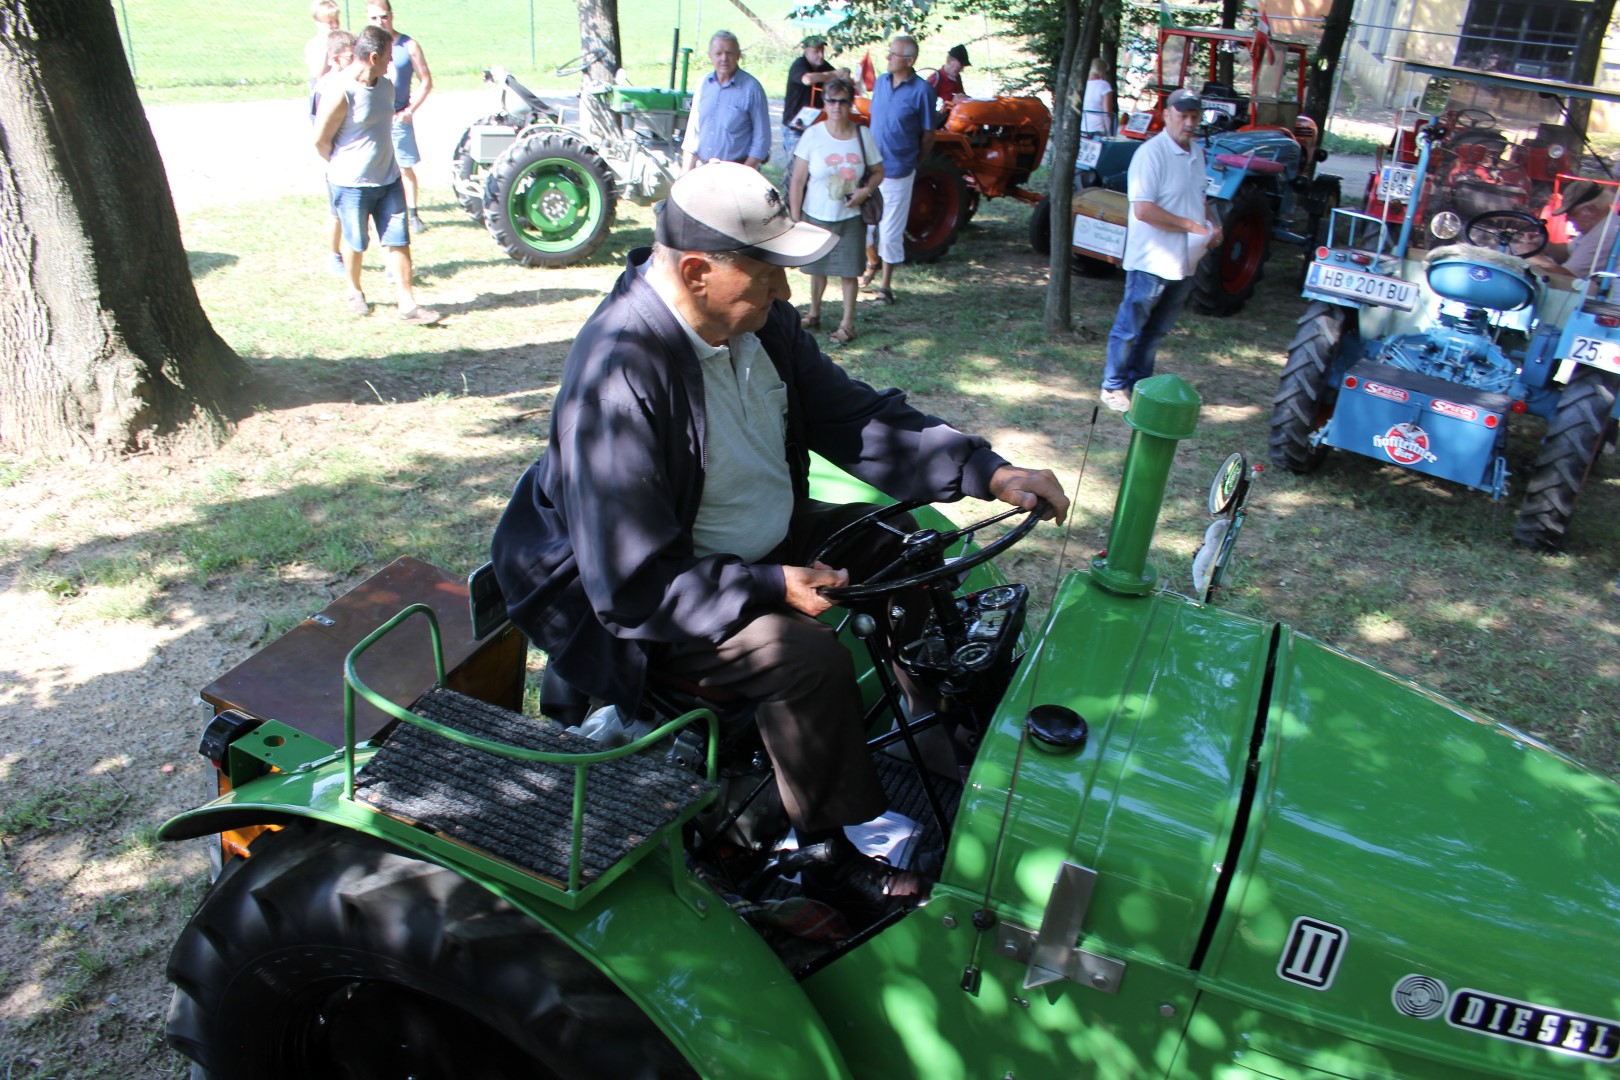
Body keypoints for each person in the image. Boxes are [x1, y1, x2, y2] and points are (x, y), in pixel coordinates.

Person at [489, 162, 1068, 916]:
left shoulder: (757, 323)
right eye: (771, 274)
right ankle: (825, 855)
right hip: (635, 600)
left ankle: (934, 731)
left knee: (905, 545)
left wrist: (986, 470)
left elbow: (854, 420)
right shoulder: (619, 376)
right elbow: (631, 584)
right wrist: (770, 586)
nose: (789, 293)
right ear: (697, 270)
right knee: (800, 659)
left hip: (737, 548)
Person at [1100, 87, 1220, 412]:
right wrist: (1193, 227)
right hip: (1151, 260)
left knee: (1156, 332)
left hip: (1185, 261)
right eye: (1183, 115)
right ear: (1166, 115)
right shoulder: (1151, 154)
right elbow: (1143, 210)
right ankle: (1113, 386)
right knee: (1129, 328)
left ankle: (1140, 386)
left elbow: (1200, 198)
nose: (1190, 122)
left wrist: (1212, 224)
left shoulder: (1197, 153)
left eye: (1195, 116)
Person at [313, 25, 440, 324]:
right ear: (372, 57)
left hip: (389, 179)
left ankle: (407, 304)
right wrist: (343, 165)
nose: (389, 65)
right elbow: (320, 139)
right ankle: (354, 290)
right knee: (356, 242)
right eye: (386, 59)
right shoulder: (341, 91)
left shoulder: (386, 87)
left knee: (399, 240)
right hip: (351, 184)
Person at [789, 76, 883, 345]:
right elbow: (797, 180)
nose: (837, 106)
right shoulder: (813, 135)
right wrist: (795, 218)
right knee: (817, 268)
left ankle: (847, 324)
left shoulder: (862, 135)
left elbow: (878, 172)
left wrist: (866, 191)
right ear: (824, 103)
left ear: (850, 103)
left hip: (850, 216)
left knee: (848, 271)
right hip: (816, 214)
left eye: (843, 101)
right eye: (831, 100)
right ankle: (814, 312)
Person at [865, 35, 934, 304]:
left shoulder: (922, 91)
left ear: (910, 60)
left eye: (893, 54)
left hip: (899, 169)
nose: (888, 58)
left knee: (890, 230)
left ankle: (885, 288)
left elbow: (929, 134)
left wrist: (914, 161)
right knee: (865, 225)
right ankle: (872, 264)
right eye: (889, 53)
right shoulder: (881, 82)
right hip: (872, 167)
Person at [366, 0, 431, 235]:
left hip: (398, 117)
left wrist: (410, 110)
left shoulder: (409, 45)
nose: (380, 22)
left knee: (405, 166)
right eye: (373, 18)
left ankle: (412, 214)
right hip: (373, 119)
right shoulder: (364, 46)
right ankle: (375, 213)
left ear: (391, 15)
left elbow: (426, 81)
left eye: (383, 16)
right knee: (372, 166)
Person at [681, 30, 771, 173]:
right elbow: (692, 135)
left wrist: (742, 174)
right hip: (703, 170)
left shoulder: (752, 89)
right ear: (710, 56)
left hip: (737, 172)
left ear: (738, 55)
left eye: (729, 53)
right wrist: (684, 177)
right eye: (718, 53)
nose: (724, 58)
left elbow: (762, 141)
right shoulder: (703, 85)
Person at [312, 30, 357, 277]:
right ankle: (333, 255)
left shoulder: (353, 81)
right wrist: (332, 158)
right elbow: (320, 131)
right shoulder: (326, 86)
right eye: (350, 57)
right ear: (335, 58)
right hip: (334, 158)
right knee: (336, 211)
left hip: (354, 156)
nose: (355, 61)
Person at [1526, 180, 1620, 282]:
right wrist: (1541, 243)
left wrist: (1530, 255)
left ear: (1589, 211)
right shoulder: (1599, 226)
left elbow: (1568, 278)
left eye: (1571, 213)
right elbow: (1568, 251)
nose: (1567, 219)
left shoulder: (1604, 234)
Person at [782, 35, 846, 165]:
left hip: (815, 127)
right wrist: (834, 74)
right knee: (795, 168)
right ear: (806, 51)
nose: (821, 55)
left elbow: (839, 81)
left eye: (822, 50)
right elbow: (808, 79)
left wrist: (845, 75)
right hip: (795, 127)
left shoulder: (824, 67)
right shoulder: (799, 65)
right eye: (816, 51)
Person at [926, 44, 970, 127]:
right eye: (959, 66)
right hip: (941, 123)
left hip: (956, 120)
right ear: (949, 61)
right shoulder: (935, 78)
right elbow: (927, 107)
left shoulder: (957, 77)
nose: (961, 70)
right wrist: (951, 103)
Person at [303, 0, 341, 84]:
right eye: (330, 22)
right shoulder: (313, 45)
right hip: (322, 88)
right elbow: (319, 74)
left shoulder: (344, 42)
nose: (335, 25)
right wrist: (326, 45)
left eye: (337, 21)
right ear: (319, 23)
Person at [1081, 56, 1116, 138]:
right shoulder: (1104, 85)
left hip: (1082, 126)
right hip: (1097, 128)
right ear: (1102, 71)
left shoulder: (1082, 84)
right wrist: (1109, 133)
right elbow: (1107, 112)